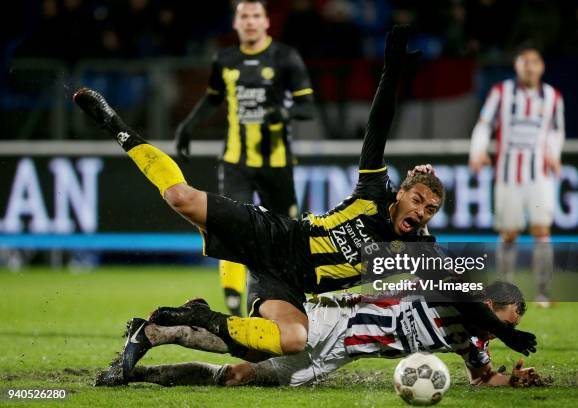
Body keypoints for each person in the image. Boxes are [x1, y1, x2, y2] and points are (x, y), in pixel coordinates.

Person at [74, 26, 536, 376]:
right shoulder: (374, 192)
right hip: (278, 235)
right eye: (417, 200)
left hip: (291, 281)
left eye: (430, 210)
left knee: (291, 339)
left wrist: (501, 331)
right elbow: (378, 126)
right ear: (401, 193)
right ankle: (117, 125)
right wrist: (392, 71)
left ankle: (194, 317)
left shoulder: (419, 249)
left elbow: (457, 294)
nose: (420, 213)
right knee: (179, 197)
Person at [96, 282, 544, 388]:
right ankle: (167, 326)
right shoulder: (452, 295)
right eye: (506, 323)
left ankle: (141, 376)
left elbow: (483, 378)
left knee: (240, 376)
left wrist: (515, 381)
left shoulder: (471, 341)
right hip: (335, 321)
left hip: (340, 356)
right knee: (260, 340)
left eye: (513, 328)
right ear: (490, 307)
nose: (506, 332)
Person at [175, 0, 315, 317]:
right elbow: (213, 99)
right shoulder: (225, 60)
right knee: (229, 224)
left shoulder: (285, 57)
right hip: (236, 161)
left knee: (287, 231)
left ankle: (291, 293)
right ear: (236, 24)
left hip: (277, 163)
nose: (250, 22)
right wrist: (189, 125)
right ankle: (234, 300)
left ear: (266, 22)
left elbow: (307, 107)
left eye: (255, 16)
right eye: (244, 17)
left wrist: (283, 111)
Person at [469, 46, 564, 306]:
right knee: (509, 233)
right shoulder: (502, 93)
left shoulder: (552, 96)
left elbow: (556, 131)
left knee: (542, 231)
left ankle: (543, 293)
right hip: (508, 174)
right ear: (517, 65)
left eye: (534, 62)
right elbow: (485, 124)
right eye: (525, 62)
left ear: (542, 66)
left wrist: (554, 154)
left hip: (539, 176)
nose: (530, 67)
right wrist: (477, 152)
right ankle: (504, 292)